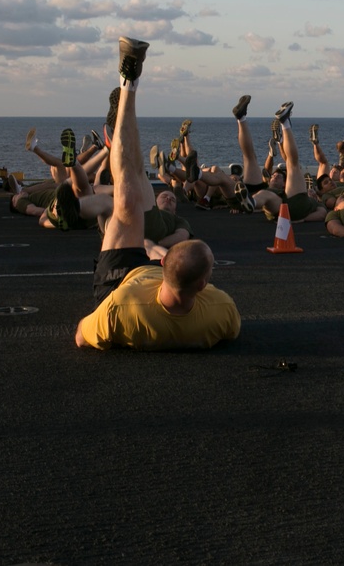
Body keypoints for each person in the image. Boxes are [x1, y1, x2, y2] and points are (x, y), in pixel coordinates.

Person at [75, 37, 240, 350]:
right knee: (135, 186)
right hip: (151, 268)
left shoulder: (118, 310)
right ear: (204, 285)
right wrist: (155, 249)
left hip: (117, 281)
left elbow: (81, 336)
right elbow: (228, 330)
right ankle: (127, 98)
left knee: (128, 194)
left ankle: (129, 84)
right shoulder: (222, 312)